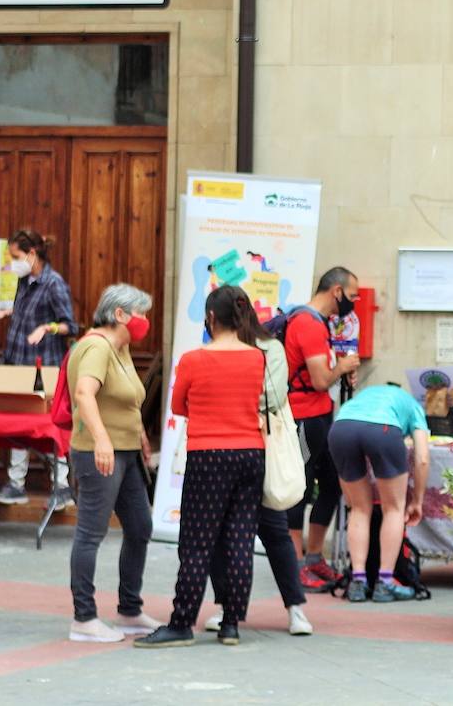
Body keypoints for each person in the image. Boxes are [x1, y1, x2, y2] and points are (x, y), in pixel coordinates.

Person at [138, 286, 270, 649]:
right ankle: (231, 623)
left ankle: (182, 622)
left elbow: (179, 406)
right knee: (240, 540)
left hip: (208, 454)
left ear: (211, 318)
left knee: (197, 543)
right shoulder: (257, 358)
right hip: (250, 455)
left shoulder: (193, 360)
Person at [203, 305, 314, 638]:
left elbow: (276, 395)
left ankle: (295, 608)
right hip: (223, 447)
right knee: (219, 533)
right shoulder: (213, 351)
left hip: (261, 448)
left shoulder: (270, 348)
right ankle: (226, 606)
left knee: (275, 530)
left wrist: (234, 397)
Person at [67, 283, 155, 644]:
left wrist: (140, 436)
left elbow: (127, 399)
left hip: (127, 451)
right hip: (98, 452)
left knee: (140, 526)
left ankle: (129, 609)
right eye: (141, 313)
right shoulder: (96, 346)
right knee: (91, 533)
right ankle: (83, 618)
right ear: (120, 314)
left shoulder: (121, 348)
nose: (145, 321)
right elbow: (84, 394)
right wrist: (101, 438)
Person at [0, 229, 78, 510]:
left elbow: (69, 325)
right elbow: (26, 310)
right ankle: (16, 485)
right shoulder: (25, 280)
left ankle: (61, 488)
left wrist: (45, 328)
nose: (13, 262)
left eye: (16, 256)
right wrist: (5, 313)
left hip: (43, 368)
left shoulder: (54, 284)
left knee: (51, 426)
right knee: (18, 426)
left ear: (32, 255)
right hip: (17, 363)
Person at [283, 267, 362, 593]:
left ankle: (314, 556)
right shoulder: (307, 323)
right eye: (353, 295)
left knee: (332, 483)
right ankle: (294, 565)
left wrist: (341, 370)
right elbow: (318, 380)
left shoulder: (320, 324)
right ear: (337, 292)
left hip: (322, 417)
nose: (355, 302)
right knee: (299, 491)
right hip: (302, 418)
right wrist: (341, 367)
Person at [328, 384, 431, 603]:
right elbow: (422, 458)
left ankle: (358, 581)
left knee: (358, 508)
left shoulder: (364, 396)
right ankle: (385, 582)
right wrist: (417, 501)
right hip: (383, 428)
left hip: (340, 428)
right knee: (393, 508)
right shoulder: (413, 405)